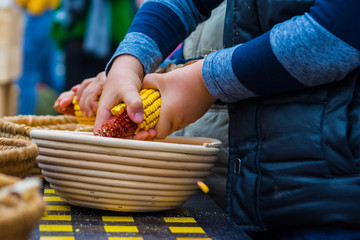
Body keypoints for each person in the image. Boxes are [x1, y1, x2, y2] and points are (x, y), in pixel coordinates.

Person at [58, 0, 360, 238]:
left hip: (331, 203)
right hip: (238, 193)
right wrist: (130, 59)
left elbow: (338, 29)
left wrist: (202, 82)